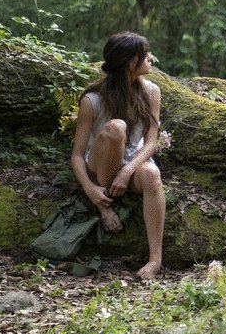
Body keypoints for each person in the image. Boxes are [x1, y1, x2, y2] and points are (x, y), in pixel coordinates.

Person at [70, 32, 165, 280]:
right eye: (144, 55)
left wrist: (128, 170)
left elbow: (151, 141)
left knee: (153, 175)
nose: (150, 58)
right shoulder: (92, 100)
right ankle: (104, 208)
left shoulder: (152, 91)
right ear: (128, 63)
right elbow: (77, 156)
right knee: (116, 128)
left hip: (132, 161)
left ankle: (155, 260)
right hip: (99, 163)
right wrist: (90, 188)